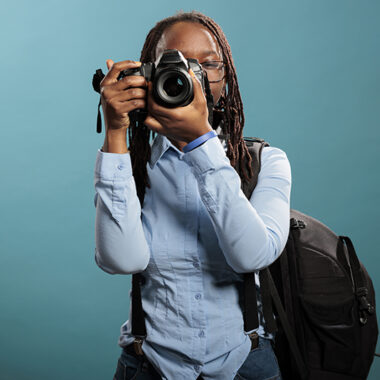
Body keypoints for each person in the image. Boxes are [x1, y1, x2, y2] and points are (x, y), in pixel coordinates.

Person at [94, 10, 291, 380]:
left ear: (226, 78)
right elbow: (122, 260)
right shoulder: (130, 165)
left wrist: (201, 143)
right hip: (149, 364)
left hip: (244, 363)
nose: (191, 75)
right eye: (178, 64)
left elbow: (253, 255)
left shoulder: (265, 162)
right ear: (146, 77)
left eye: (208, 64)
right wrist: (116, 133)